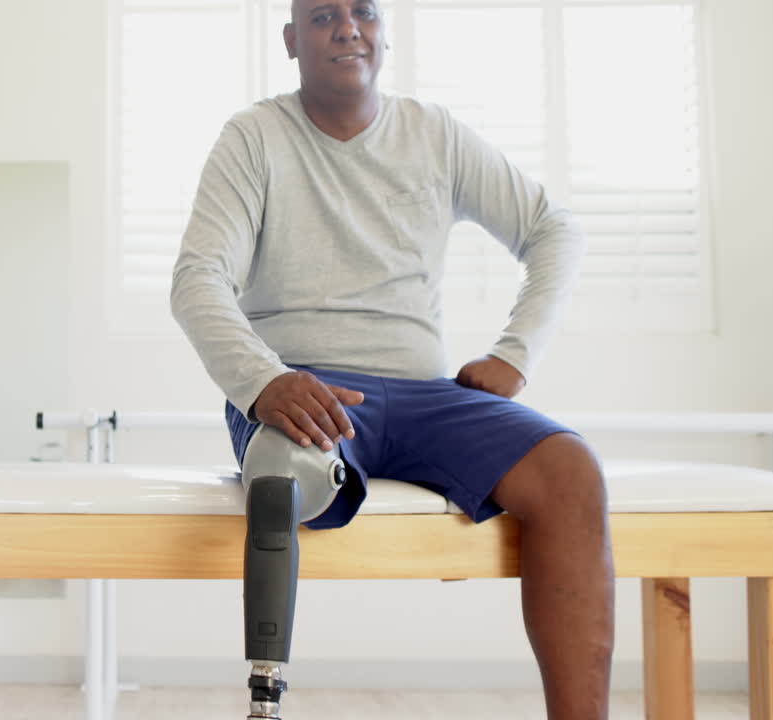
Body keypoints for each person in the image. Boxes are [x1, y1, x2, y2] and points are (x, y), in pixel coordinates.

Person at [170, 2, 612, 718]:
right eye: (322, 17)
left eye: (363, 12)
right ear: (291, 41)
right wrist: (263, 381)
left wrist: (515, 353)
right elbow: (197, 280)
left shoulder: (433, 134)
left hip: (424, 395)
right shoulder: (254, 138)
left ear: (382, 31)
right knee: (284, 478)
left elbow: (554, 229)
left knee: (572, 472)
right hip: (303, 390)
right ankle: (265, 703)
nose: (347, 28)